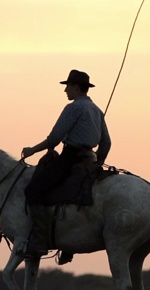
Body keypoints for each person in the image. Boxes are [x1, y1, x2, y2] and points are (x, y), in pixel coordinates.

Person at [21, 69, 111, 260]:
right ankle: (68, 245)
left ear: (76, 87)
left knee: (33, 190)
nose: (65, 91)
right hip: (90, 160)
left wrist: (32, 150)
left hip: (70, 159)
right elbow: (106, 143)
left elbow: (54, 139)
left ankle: (39, 240)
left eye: (68, 86)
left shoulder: (74, 108)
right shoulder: (97, 110)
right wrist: (98, 163)